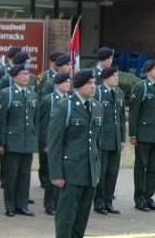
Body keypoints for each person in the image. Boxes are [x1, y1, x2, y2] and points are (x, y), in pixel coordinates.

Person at [48, 69, 103, 238]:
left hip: (89, 172)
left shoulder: (97, 107)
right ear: (78, 86)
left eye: (94, 83)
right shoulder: (65, 106)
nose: (93, 86)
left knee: (82, 217)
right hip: (70, 171)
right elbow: (54, 143)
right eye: (89, 83)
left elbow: (97, 142)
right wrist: (56, 174)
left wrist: (97, 169)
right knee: (66, 216)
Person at [0, 64, 38, 217]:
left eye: (27, 74)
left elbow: (35, 119)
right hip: (12, 141)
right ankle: (10, 205)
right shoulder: (7, 93)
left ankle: (22, 205)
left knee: (25, 175)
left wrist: (35, 139)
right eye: (22, 74)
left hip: (27, 141)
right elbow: (1, 120)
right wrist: (0, 143)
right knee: (11, 175)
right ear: (13, 76)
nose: (26, 76)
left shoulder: (32, 94)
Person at [93, 67, 125, 215]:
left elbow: (121, 118)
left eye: (117, 76)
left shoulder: (119, 93)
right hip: (103, 138)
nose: (116, 78)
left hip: (115, 139)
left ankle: (108, 202)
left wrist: (122, 138)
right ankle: (99, 202)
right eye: (113, 76)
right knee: (103, 171)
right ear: (105, 78)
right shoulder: (98, 92)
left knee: (113, 172)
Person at [38, 72, 70, 216]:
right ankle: (50, 204)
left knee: (65, 174)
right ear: (58, 84)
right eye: (65, 82)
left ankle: (60, 203)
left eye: (69, 82)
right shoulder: (49, 100)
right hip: (52, 143)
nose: (68, 84)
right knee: (53, 173)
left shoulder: (70, 100)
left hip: (66, 143)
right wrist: (45, 143)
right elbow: (43, 124)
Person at [129, 59, 155, 212]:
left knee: (153, 169)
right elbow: (134, 112)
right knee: (141, 167)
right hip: (143, 135)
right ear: (148, 70)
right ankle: (139, 198)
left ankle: (148, 196)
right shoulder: (141, 87)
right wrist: (133, 134)